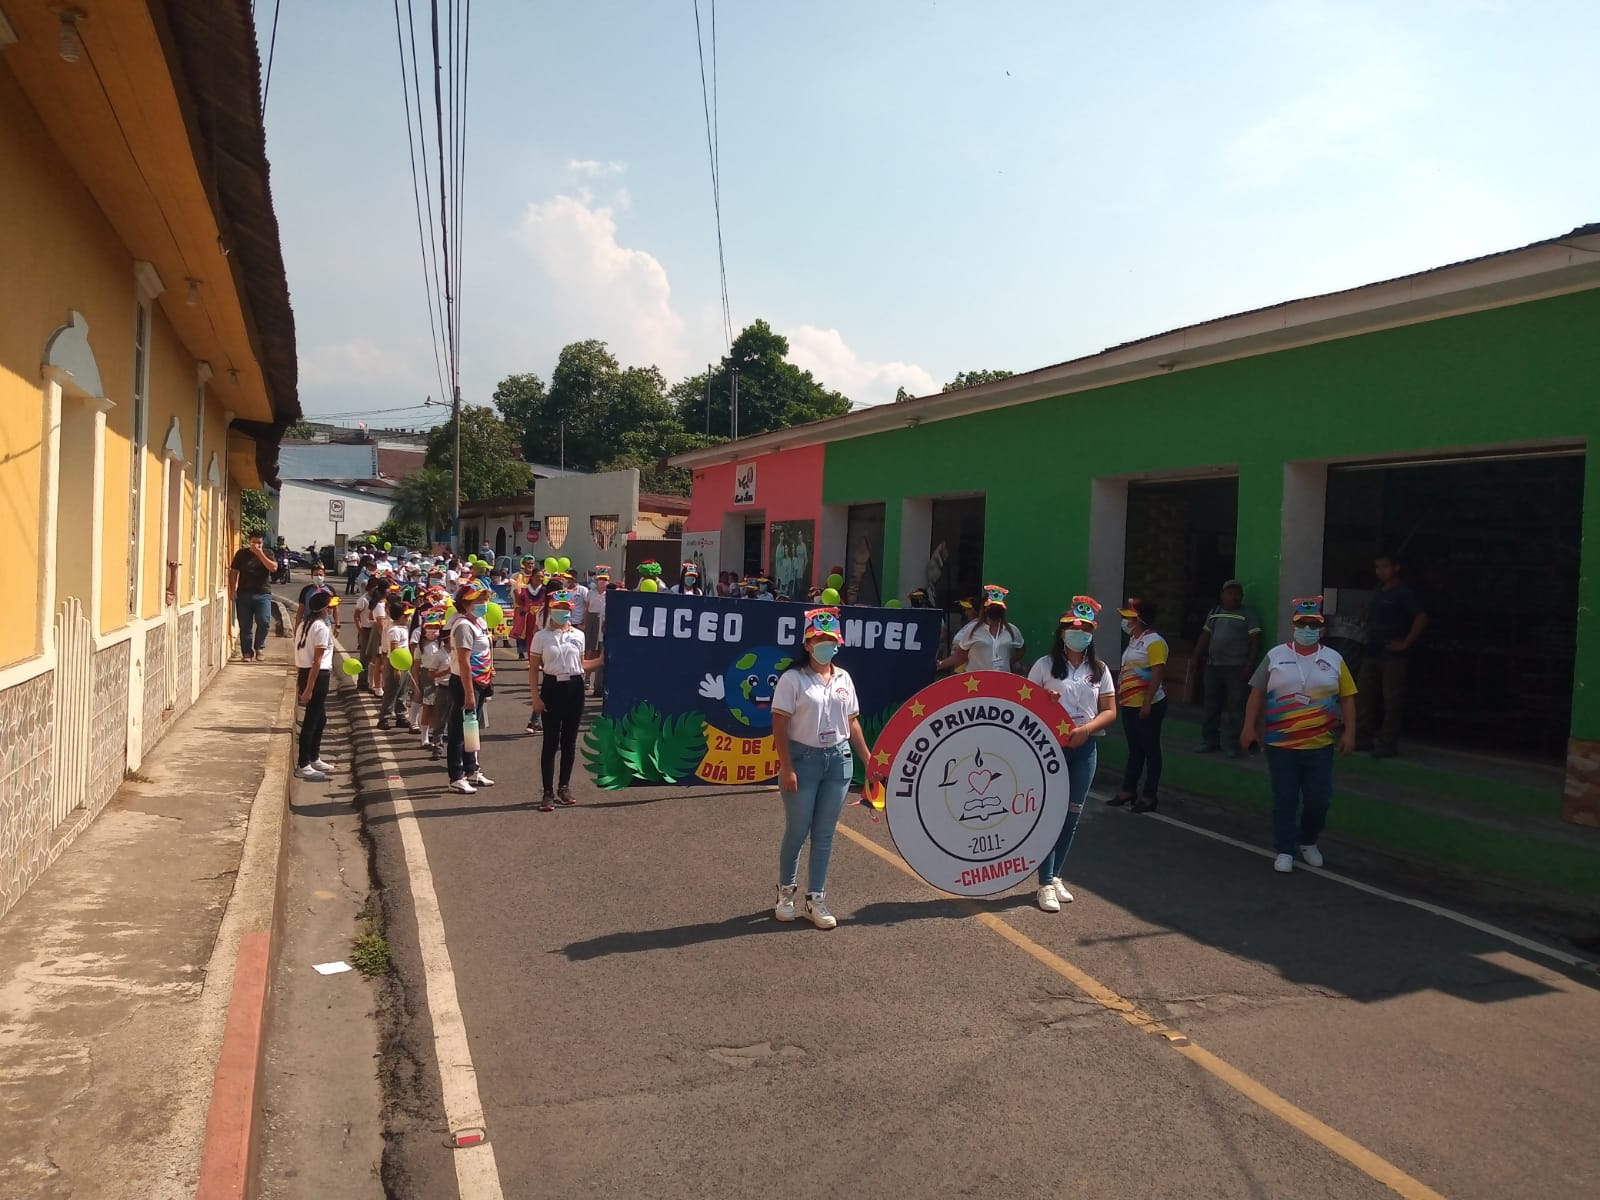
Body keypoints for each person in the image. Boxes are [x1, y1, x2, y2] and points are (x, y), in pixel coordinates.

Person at [770, 607, 871, 930]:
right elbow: (779, 724)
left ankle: (816, 898)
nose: (825, 645)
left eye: (830, 640)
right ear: (807, 644)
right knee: (798, 830)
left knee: (825, 834)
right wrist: (786, 767)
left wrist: (869, 761)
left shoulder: (844, 678)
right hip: (803, 760)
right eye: (819, 640)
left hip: (838, 761)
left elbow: (852, 723)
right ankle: (786, 892)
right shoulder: (793, 679)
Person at [1241, 596, 1357, 873]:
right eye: (1302, 624)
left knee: (1320, 798)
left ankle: (1308, 840)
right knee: (1285, 797)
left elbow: (1349, 698)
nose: (1307, 629)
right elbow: (1256, 693)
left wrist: (1350, 732)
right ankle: (1284, 848)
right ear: (1293, 626)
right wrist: (1248, 727)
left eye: (1313, 624)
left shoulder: (1334, 659)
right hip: (1281, 743)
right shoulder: (1276, 655)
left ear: (1321, 629)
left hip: (1319, 744)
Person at [1026, 597, 1118, 911]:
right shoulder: (1044, 665)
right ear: (1063, 632)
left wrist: (1087, 730)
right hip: (1050, 748)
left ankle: (1055, 876)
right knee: (1050, 814)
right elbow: (1025, 703)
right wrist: (1045, 699)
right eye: (1073, 628)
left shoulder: (1099, 669)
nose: (1079, 633)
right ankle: (1043, 883)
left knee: (1072, 815)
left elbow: (1109, 711)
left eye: (1086, 629)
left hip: (1085, 747)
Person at [528, 590, 603, 811]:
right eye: (558, 608)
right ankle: (548, 792)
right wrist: (535, 697)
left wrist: (601, 660)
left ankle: (564, 786)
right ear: (551, 610)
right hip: (552, 687)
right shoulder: (541, 636)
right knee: (551, 741)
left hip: (575, 687)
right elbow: (533, 669)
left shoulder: (578, 635)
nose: (563, 612)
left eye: (566, 608)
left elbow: (581, 666)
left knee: (569, 741)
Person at [1356, 553, 1428, 758]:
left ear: (1396, 568)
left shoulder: (1403, 592)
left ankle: (1388, 742)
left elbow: (1421, 617)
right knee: (1364, 696)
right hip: (1372, 651)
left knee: (1392, 699)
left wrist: (1405, 642)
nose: (1380, 571)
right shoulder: (1378, 591)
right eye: (1377, 567)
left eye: (1385, 567)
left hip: (1393, 655)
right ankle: (1363, 738)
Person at [1191, 580, 1261, 758]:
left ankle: (1234, 745)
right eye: (1229, 593)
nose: (1233, 596)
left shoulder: (1248, 614)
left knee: (1236, 706)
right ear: (1222, 595)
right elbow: (1205, 636)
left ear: (1241, 596)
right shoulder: (1214, 613)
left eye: (1236, 593)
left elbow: (1255, 641)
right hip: (1213, 666)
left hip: (1236, 668)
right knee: (1211, 705)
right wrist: (1195, 657)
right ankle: (1210, 741)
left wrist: (1249, 664)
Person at [1112, 597, 1167, 812]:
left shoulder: (1155, 642)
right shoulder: (1135, 640)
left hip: (1149, 705)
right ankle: (1129, 789)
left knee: (1151, 750)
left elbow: (1157, 673)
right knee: (1135, 749)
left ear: (1140, 619)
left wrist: (1147, 703)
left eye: (1129, 618)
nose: (1125, 622)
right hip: (1129, 704)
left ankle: (1150, 795)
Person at [445, 583, 496, 794]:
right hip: (466, 682)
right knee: (459, 730)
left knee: (472, 728)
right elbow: (465, 662)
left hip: (482, 680)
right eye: (478, 601)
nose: (483, 604)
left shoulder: (480, 622)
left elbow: (486, 649)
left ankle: (472, 769)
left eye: (485, 600)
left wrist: (489, 669)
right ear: (466, 603)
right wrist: (468, 693)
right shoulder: (463, 625)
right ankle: (456, 775)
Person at [293, 590, 337, 782]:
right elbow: (317, 661)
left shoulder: (305, 624)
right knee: (311, 721)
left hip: (306, 672)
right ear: (324, 609)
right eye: (330, 607)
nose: (332, 610)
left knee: (320, 719)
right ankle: (303, 764)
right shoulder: (320, 628)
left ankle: (314, 756)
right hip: (317, 676)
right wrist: (309, 688)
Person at [939, 585, 1024, 674]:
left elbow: (1022, 650)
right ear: (984, 609)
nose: (994, 610)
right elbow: (960, 656)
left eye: (997, 607)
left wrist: (1009, 662)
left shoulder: (1012, 630)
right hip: (976, 683)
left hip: (1001, 681)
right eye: (991, 607)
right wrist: (939, 665)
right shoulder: (973, 630)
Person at [228, 533, 277, 661]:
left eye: (259, 543)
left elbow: (273, 568)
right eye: (254, 543)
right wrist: (232, 589)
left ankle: (259, 647)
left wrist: (260, 554)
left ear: (263, 543)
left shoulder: (268, 553)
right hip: (244, 593)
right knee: (245, 625)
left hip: (263, 594)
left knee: (264, 621)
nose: (257, 545)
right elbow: (233, 572)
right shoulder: (241, 554)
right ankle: (247, 653)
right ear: (249, 542)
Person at [377, 595, 413, 730]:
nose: (408, 618)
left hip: (404, 663)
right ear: (399, 617)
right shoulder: (394, 630)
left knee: (403, 691)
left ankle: (401, 716)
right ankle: (384, 718)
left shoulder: (403, 628)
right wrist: (396, 668)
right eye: (406, 616)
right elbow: (394, 650)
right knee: (392, 691)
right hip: (395, 664)